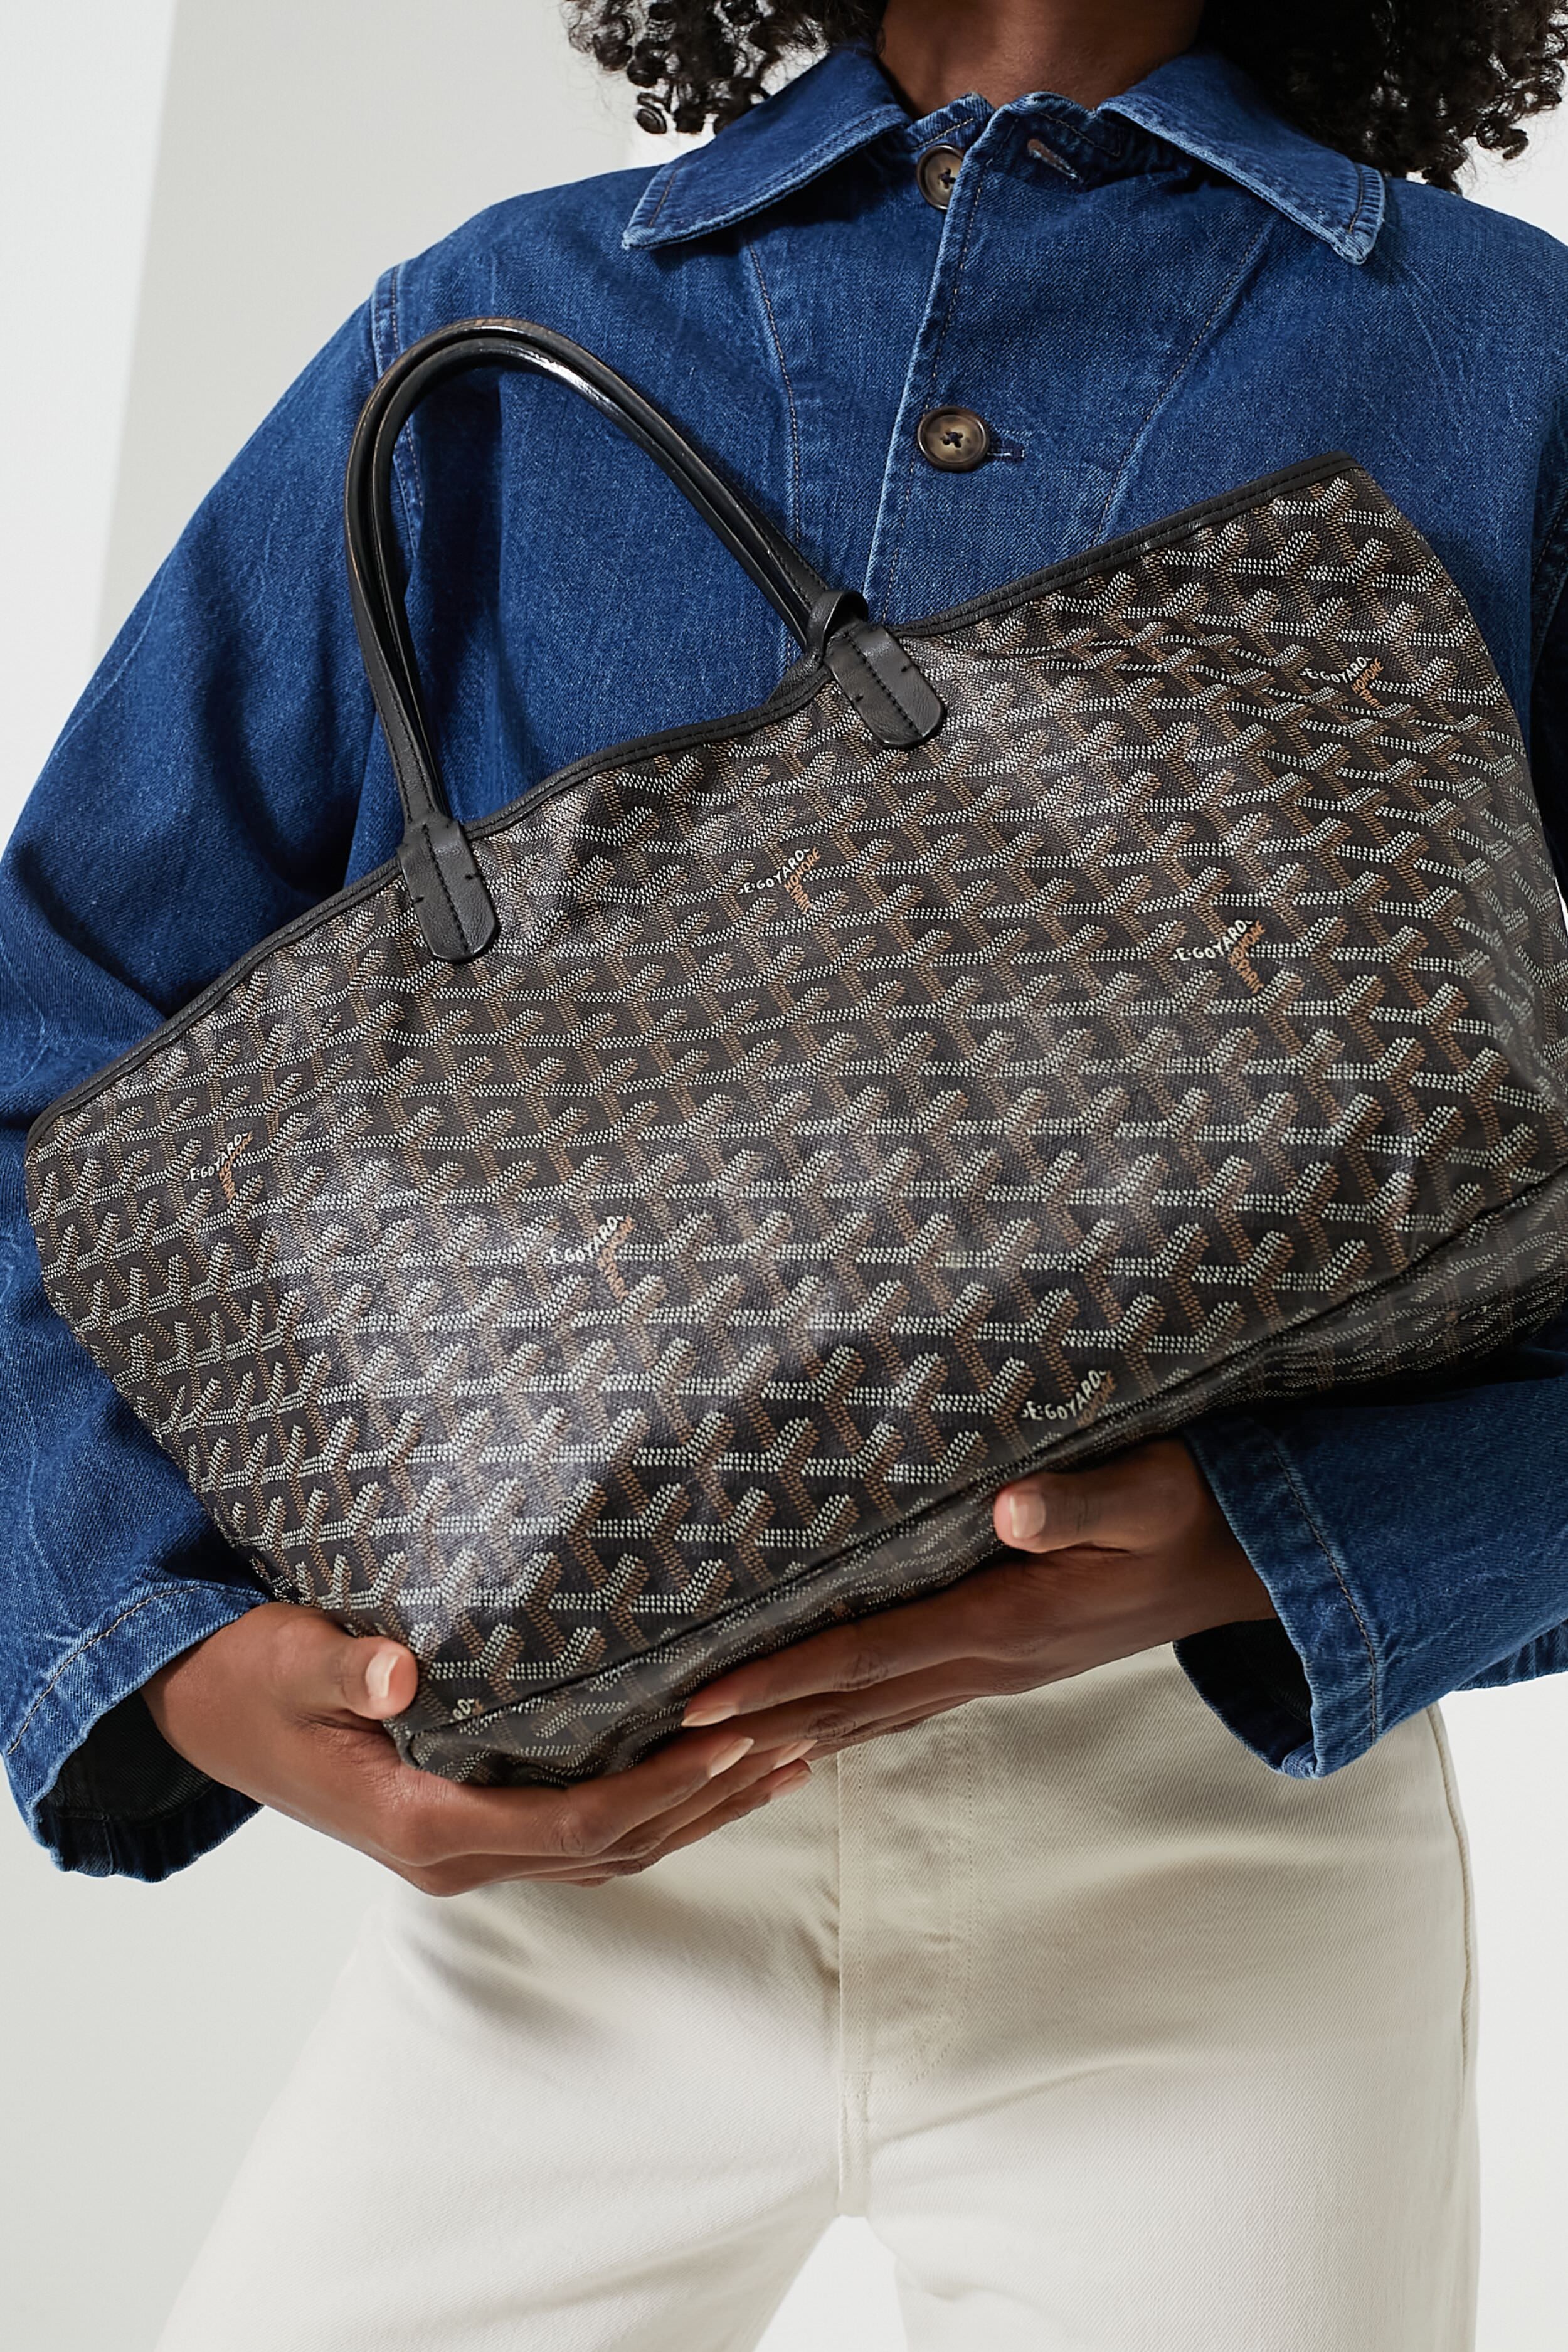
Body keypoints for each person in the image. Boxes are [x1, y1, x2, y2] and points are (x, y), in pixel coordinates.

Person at [4, 0, 1568, 2343]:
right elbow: (46, 1025)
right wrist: (166, 1656)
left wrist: (1295, 1550)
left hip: (1220, 1879)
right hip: (562, 1891)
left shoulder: (1500, 360)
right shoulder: (502, 321)